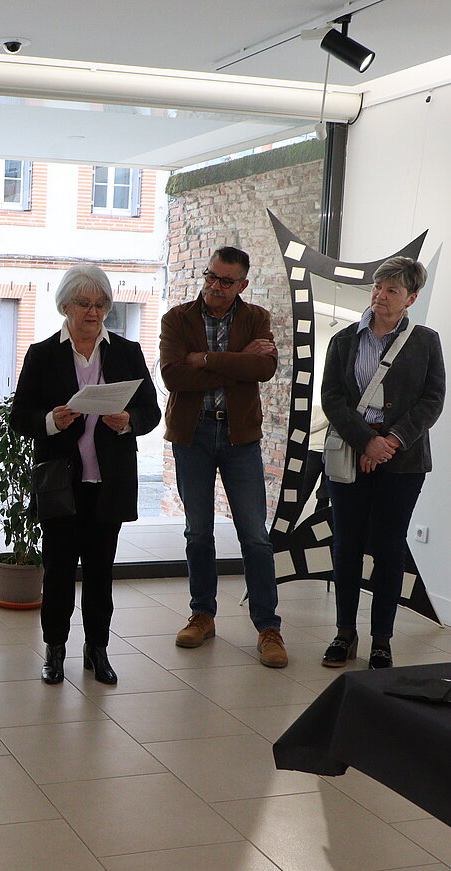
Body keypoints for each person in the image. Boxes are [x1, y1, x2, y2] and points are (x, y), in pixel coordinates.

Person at [11, 264, 160, 685]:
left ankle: (98, 649)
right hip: (61, 482)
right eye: (84, 303)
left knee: (100, 572)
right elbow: (19, 416)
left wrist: (129, 420)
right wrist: (52, 421)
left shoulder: (127, 352)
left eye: (101, 304)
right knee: (58, 571)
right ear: (64, 305)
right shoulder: (43, 354)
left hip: (108, 481)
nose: (94, 312)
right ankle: (54, 650)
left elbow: (151, 411)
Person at [159, 246, 287, 668]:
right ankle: (202, 614)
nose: (214, 286)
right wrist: (239, 361)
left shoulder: (256, 319)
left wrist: (208, 359)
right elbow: (174, 375)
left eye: (225, 281)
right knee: (198, 532)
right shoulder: (177, 318)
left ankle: (268, 626)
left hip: (240, 437)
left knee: (255, 535)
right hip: (192, 434)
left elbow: (263, 371)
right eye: (210, 276)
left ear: (242, 285)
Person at [320, 256, 444, 669]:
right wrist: (366, 441)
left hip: (402, 461)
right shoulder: (344, 341)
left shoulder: (426, 342)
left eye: (392, 290)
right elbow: (333, 398)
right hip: (352, 455)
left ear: (411, 298)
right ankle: (344, 633)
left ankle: (381, 640)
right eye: (377, 288)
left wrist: (389, 441)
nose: (381, 296)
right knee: (347, 545)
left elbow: (432, 401)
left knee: (390, 548)